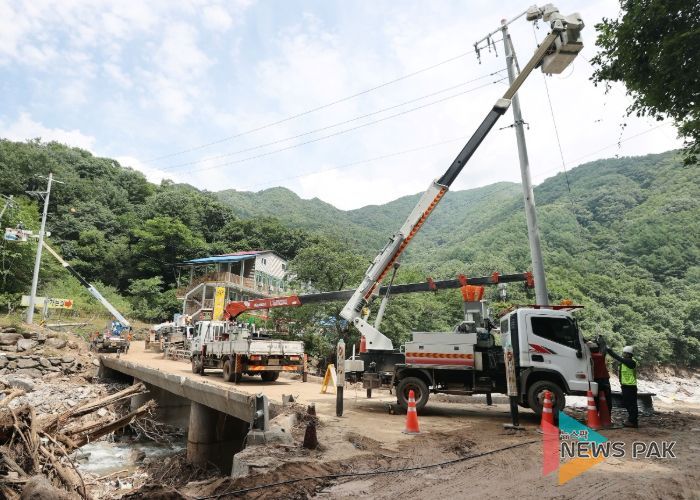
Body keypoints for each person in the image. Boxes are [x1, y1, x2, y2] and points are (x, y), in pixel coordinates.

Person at [607, 345, 638, 428]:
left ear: (628, 354)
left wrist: (610, 351)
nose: (623, 354)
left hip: (630, 386)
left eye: (624, 353)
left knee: (632, 404)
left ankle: (633, 422)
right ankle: (631, 420)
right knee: (627, 403)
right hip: (625, 386)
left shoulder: (631, 362)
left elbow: (618, 358)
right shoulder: (623, 363)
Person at [587, 339, 611, 410]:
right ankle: (608, 412)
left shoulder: (590, 357)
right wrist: (600, 340)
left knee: (596, 398)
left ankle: (596, 412)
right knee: (608, 398)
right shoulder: (601, 356)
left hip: (595, 379)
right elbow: (603, 348)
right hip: (605, 379)